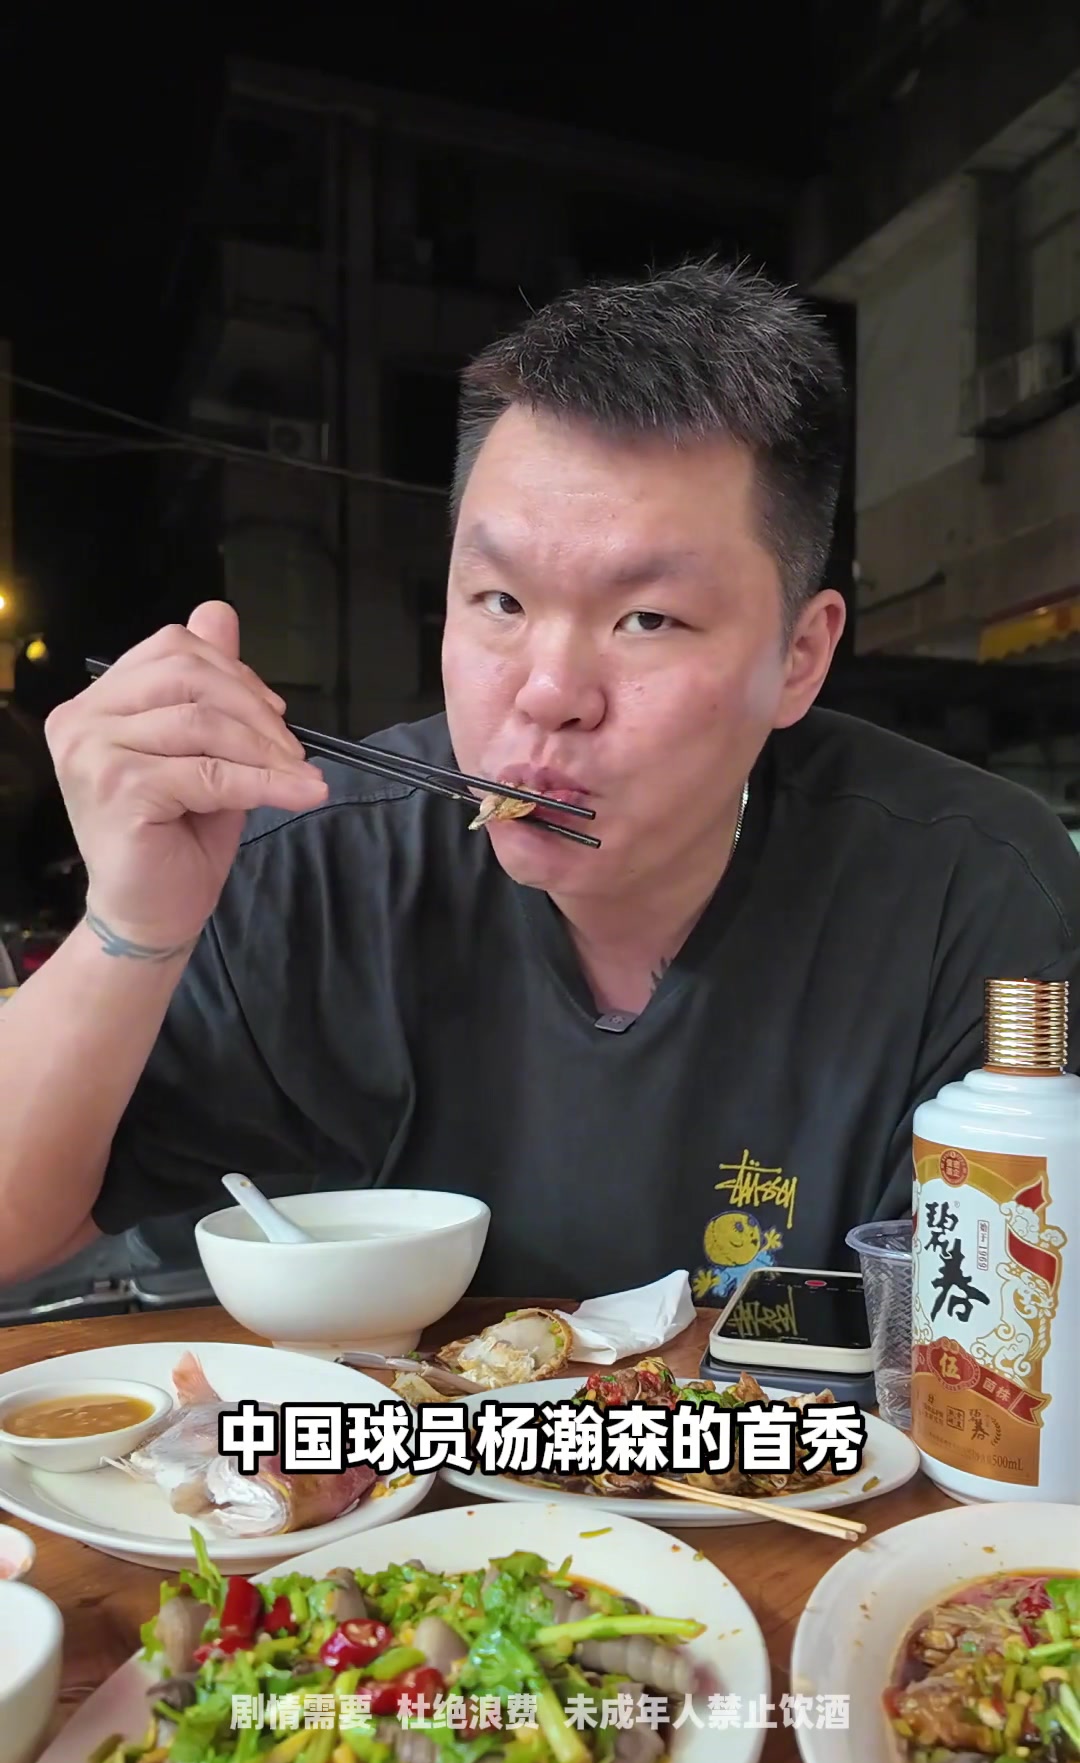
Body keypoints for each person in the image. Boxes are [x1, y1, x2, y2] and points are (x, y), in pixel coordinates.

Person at [2, 259, 1079, 1306]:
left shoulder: (966, 894)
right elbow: (20, 1240)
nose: (549, 691)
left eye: (646, 618)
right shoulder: (316, 860)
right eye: (500, 603)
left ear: (799, 655)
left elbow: (996, 1351)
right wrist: (130, 925)